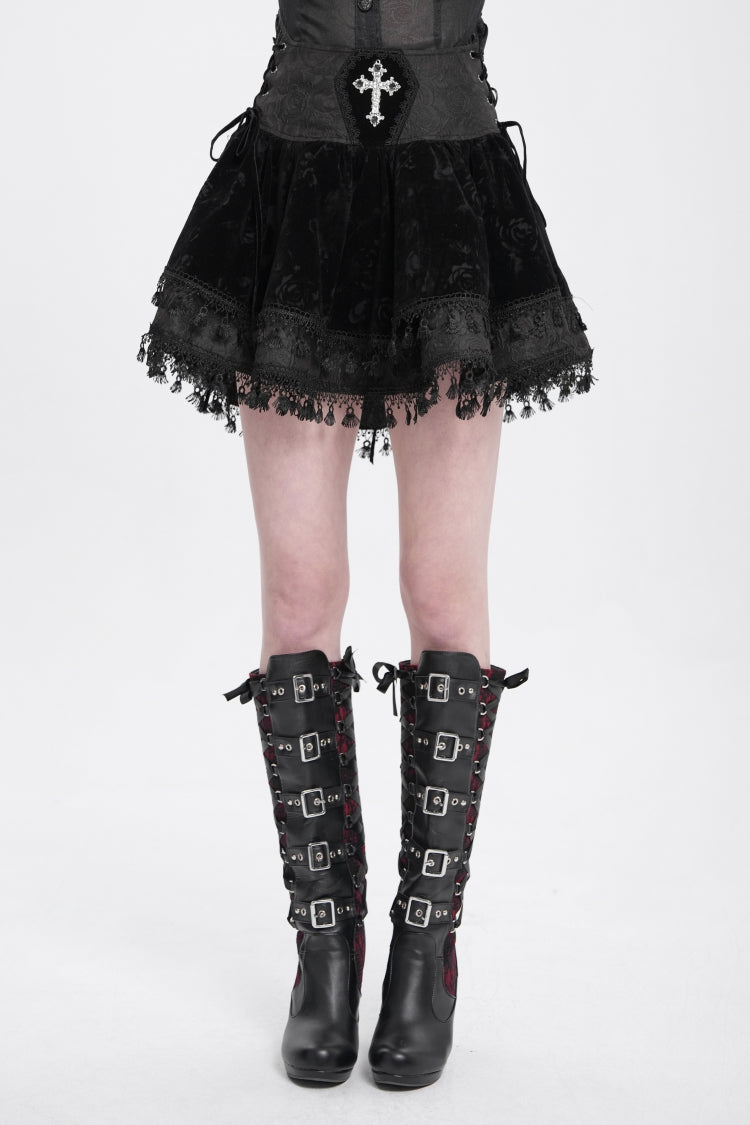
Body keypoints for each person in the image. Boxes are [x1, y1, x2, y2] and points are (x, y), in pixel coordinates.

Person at [137, 1, 594, 1089]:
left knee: (442, 588)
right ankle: (325, 950)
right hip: (300, 186)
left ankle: (427, 955)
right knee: (300, 596)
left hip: (448, 191)